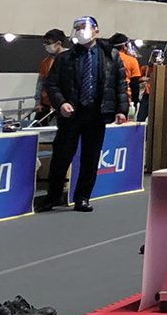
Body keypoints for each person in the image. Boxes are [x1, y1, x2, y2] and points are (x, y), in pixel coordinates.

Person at [40, 16, 129, 212]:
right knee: (61, 156)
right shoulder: (64, 58)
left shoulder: (111, 56)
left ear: (96, 31)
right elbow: (52, 85)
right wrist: (61, 103)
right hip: (70, 114)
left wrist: (122, 109)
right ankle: (52, 197)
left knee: (90, 157)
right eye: (77, 28)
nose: (81, 31)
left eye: (84, 27)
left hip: (97, 113)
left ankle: (82, 197)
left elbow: (120, 84)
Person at [106, 34, 141, 115]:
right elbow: (135, 84)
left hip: (106, 99)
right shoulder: (132, 61)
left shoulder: (104, 58)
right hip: (125, 98)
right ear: (124, 46)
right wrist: (135, 102)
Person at [34, 28, 65, 116]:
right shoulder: (46, 62)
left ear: (58, 43)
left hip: (62, 104)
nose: (46, 46)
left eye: (49, 43)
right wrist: (37, 102)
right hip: (45, 104)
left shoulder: (70, 59)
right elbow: (41, 83)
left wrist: (59, 102)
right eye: (45, 43)